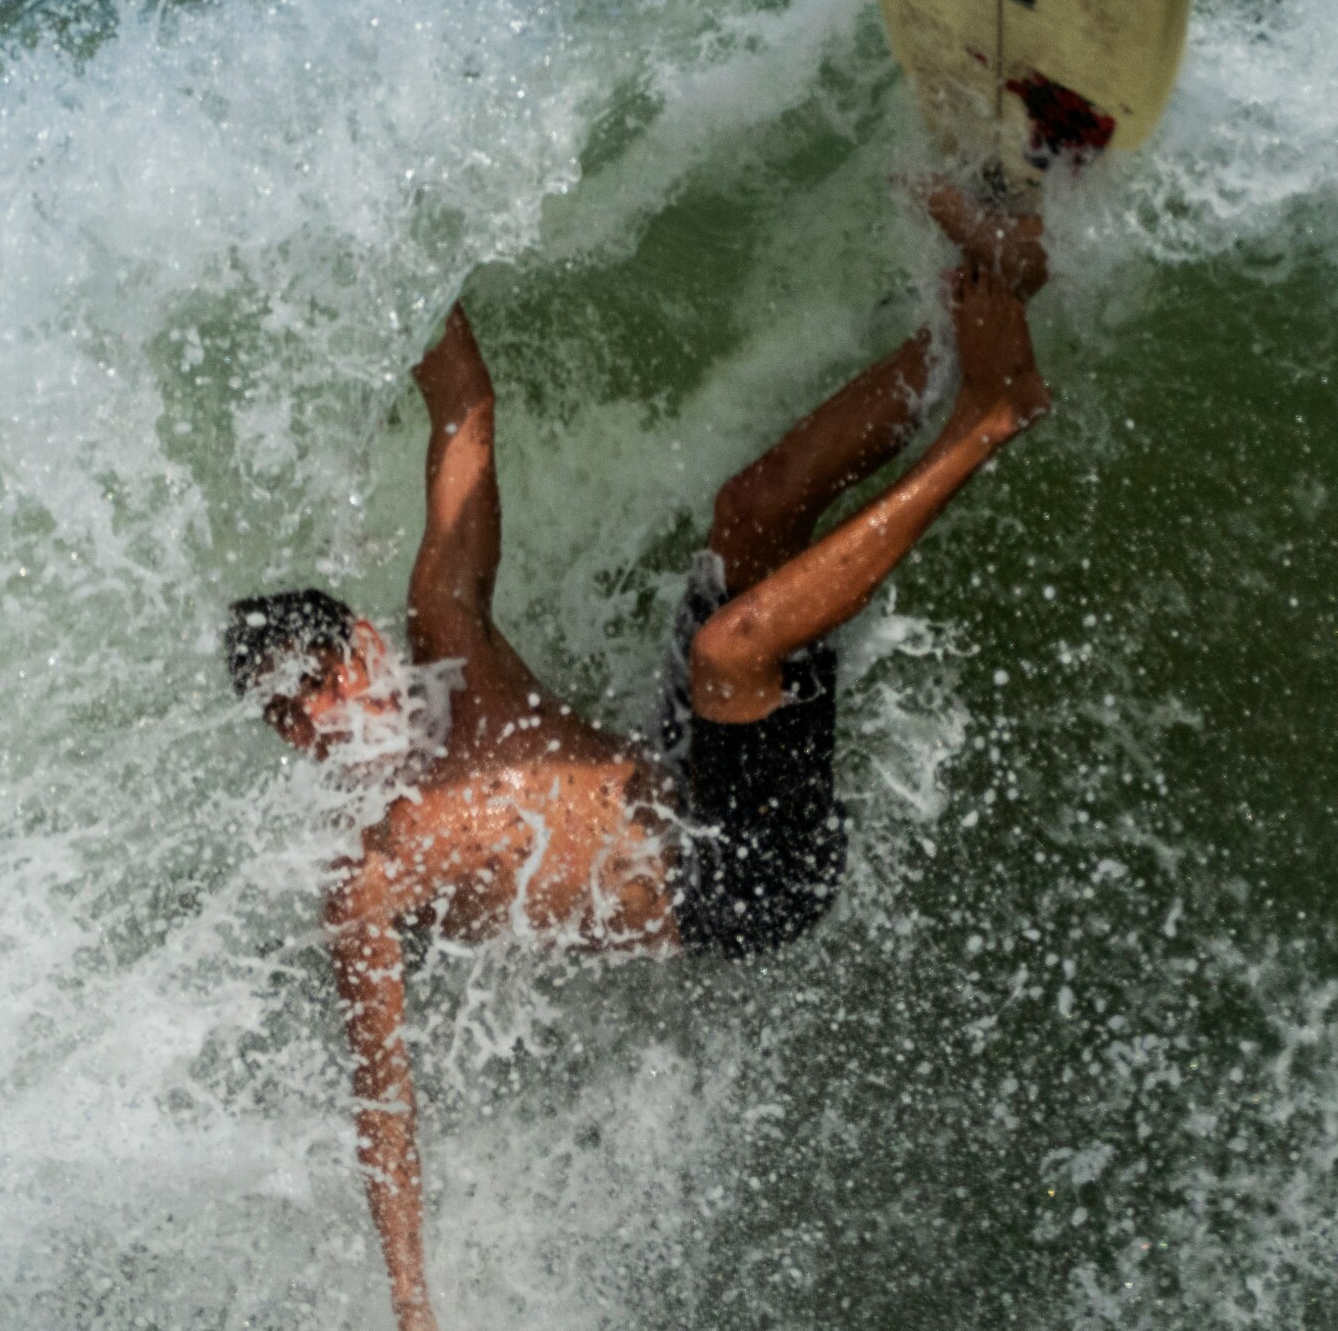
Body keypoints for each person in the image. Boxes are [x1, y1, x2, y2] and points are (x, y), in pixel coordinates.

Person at [221, 186, 1051, 1331]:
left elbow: (463, 405)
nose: (319, 717)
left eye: (322, 679)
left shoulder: (446, 628)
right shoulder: (372, 876)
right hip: (745, 886)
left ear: (363, 643)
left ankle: (979, 317)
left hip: (695, 768)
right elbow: (383, 1106)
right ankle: (992, 414)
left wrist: (382, 230)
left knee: (752, 508)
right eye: (291, 717)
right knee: (727, 645)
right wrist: (413, 1308)